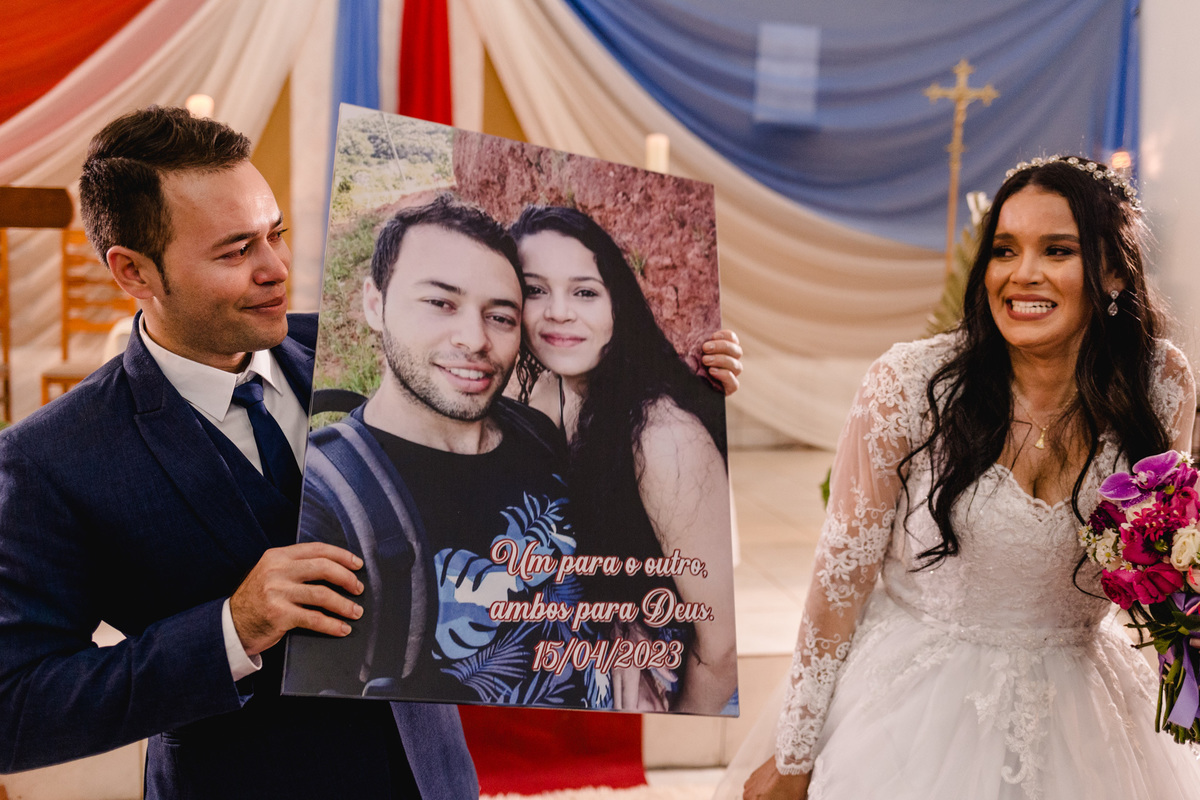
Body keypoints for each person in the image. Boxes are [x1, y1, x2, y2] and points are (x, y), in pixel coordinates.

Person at [0, 107, 475, 799]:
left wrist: (686, 378)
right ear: (134, 272)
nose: (277, 269)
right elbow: (15, 709)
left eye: (275, 234)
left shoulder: (379, 353)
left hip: (435, 778)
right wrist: (230, 629)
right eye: (235, 251)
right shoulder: (47, 459)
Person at [725, 155, 1200, 800]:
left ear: (1113, 270)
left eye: (1057, 250)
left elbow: (1162, 567)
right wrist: (796, 752)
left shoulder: (1159, 384)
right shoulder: (911, 384)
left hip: (1084, 715)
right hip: (912, 716)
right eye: (1004, 250)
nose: (1022, 274)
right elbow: (838, 586)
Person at [285, 195, 602, 708]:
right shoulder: (325, 502)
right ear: (374, 303)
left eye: (500, 317)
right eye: (440, 303)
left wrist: (696, 388)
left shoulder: (538, 436)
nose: (475, 339)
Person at [510, 205, 739, 714]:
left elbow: (721, 651)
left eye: (585, 291)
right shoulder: (539, 390)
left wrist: (670, 730)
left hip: (667, 690)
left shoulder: (664, 439)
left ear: (618, 302)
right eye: (536, 290)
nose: (559, 312)